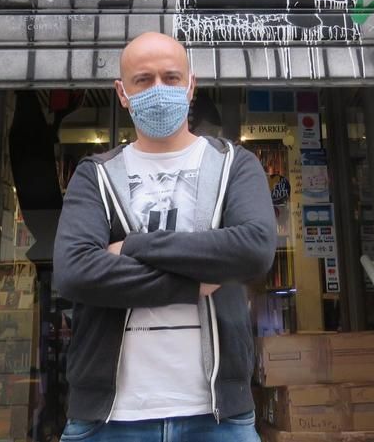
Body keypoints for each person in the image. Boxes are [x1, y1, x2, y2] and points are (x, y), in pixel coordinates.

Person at [53, 32, 278, 442]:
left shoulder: (235, 166)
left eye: (171, 78)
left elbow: (253, 250)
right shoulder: (95, 174)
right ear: (122, 93)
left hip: (218, 418)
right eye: (143, 80)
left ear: (191, 86)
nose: (159, 90)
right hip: (108, 419)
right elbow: (77, 271)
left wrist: (134, 246)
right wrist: (196, 280)